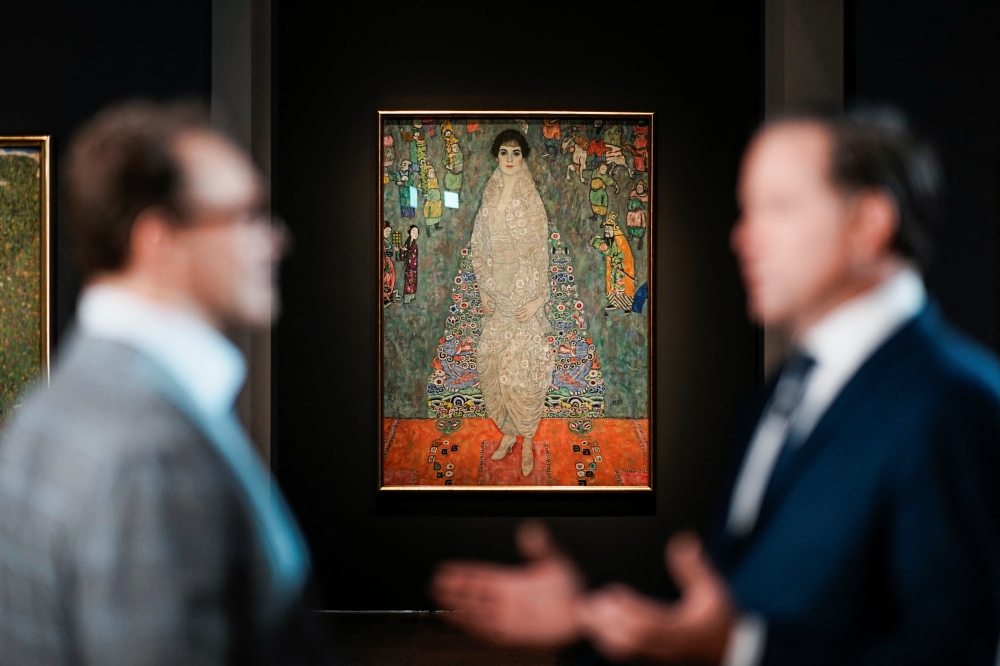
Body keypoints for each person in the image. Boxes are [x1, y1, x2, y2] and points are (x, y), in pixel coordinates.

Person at [433, 108, 1000, 665]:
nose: (743, 237)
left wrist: (737, 648)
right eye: (747, 209)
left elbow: (950, 649)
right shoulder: (783, 392)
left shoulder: (954, 404)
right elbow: (730, 600)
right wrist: (584, 615)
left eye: (778, 208)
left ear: (868, 223)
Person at [0, 101, 332, 664]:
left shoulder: (57, 403)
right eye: (244, 215)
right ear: (159, 239)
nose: (276, 239)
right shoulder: (148, 449)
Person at [470, 129, 554, 477]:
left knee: (523, 371)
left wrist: (537, 301)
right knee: (490, 362)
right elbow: (479, 244)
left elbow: (540, 255)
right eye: (503, 152)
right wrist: (484, 290)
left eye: (515, 153)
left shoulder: (531, 200)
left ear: (523, 158)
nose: (509, 158)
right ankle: (507, 432)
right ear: (496, 156)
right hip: (497, 292)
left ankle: (528, 439)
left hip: (523, 296)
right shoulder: (489, 195)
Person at [589, 213, 636, 312]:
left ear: (614, 230)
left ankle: (626, 306)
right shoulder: (609, 241)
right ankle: (614, 302)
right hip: (614, 270)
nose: (607, 231)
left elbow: (618, 253)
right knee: (613, 286)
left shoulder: (620, 241)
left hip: (621, 269)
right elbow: (596, 241)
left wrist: (607, 250)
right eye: (606, 229)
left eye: (609, 229)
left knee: (621, 287)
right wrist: (599, 244)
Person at [401, 224, 419, 304]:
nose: (415, 234)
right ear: (410, 233)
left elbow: (412, 252)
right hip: (408, 266)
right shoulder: (407, 242)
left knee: (413, 281)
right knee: (408, 281)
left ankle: (412, 296)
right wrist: (402, 250)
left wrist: (406, 250)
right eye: (413, 231)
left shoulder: (414, 245)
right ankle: (407, 297)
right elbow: (405, 250)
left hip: (413, 266)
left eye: (417, 232)